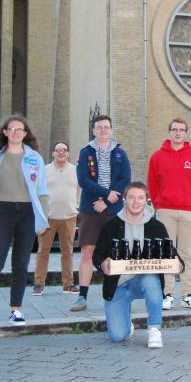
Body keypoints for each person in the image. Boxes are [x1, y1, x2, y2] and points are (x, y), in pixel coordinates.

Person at [0, 116, 49, 327]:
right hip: (1, 211)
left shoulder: (35, 158)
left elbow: (42, 191)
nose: (16, 133)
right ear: (4, 132)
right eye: (11, 129)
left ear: (25, 134)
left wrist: (43, 219)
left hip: (27, 212)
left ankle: (16, 309)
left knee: (21, 263)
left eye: (20, 130)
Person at [92, 182, 169, 349]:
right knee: (118, 336)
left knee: (151, 279)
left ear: (146, 201)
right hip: (118, 284)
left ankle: (154, 328)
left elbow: (171, 252)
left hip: (143, 280)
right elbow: (97, 255)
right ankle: (126, 322)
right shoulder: (110, 226)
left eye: (141, 197)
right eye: (131, 197)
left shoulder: (157, 227)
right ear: (124, 200)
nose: (136, 201)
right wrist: (102, 264)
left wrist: (179, 264)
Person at [73, 115, 131, 312]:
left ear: (111, 130)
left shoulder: (120, 154)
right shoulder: (85, 153)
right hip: (90, 209)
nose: (103, 130)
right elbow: (83, 180)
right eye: (99, 127)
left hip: (113, 209)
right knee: (87, 251)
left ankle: (114, 293)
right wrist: (105, 194)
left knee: (114, 252)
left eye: (107, 127)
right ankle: (82, 296)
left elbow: (125, 179)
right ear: (94, 130)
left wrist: (107, 201)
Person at [148, 117, 191, 310]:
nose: (178, 133)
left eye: (181, 130)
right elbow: (152, 184)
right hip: (165, 211)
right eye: (174, 129)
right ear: (169, 132)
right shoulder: (157, 157)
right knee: (166, 253)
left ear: (186, 133)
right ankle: (168, 294)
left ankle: (187, 294)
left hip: (188, 212)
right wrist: (159, 204)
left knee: (186, 254)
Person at [32, 141, 80, 296]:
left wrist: (75, 207)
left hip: (69, 217)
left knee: (68, 252)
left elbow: (79, 191)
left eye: (64, 150)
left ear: (68, 153)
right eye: (58, 150)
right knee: (43, 252)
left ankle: (68, 284)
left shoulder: (75, 171)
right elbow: (37, 191)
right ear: (53, 153)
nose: (61, 153)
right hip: (48, 217)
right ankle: (39, 284)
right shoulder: (44, 170)